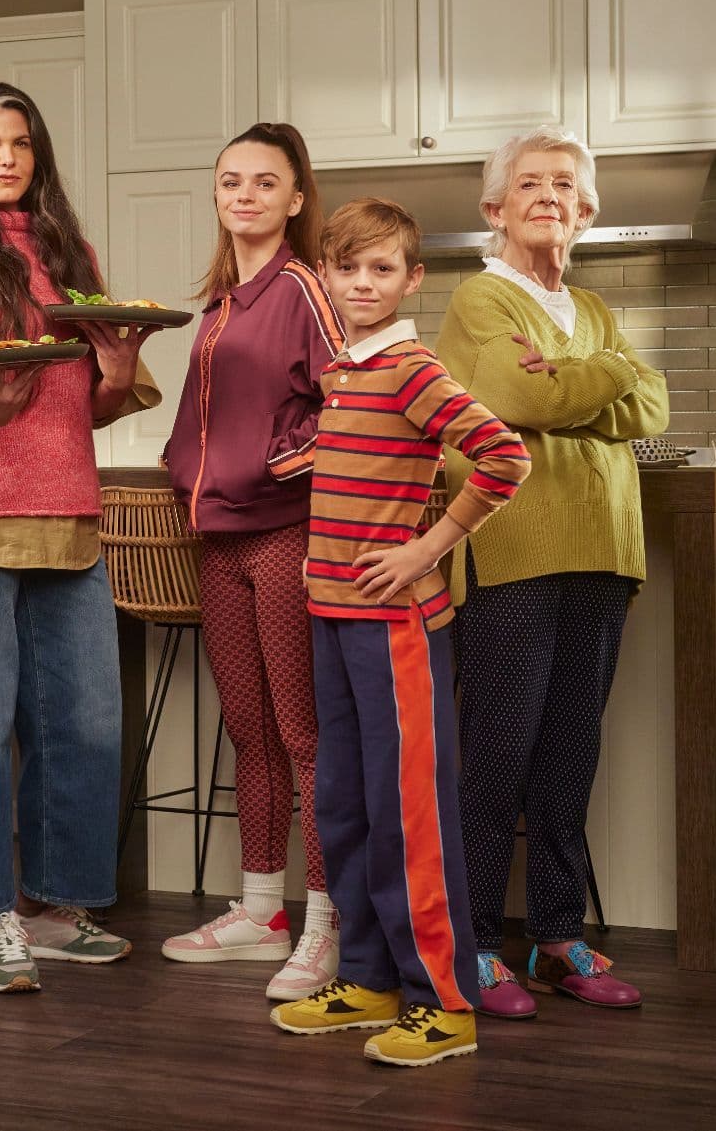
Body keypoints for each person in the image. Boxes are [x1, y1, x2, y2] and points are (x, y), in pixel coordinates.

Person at [0, 83, 159, 994]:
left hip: (69, 512)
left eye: (19, 144)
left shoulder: (70, 253)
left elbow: (87, 406)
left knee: (84, 721)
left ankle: (55, 907)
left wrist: (119, 368)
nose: (5, 158)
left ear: (38, 156)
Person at [267, 198, 530, 1069]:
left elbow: (503, 456)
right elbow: (372, 470)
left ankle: (443, 1001)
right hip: (335, 617)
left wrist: (427, 547)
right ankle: (373, 978)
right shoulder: (347, 369)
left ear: (412, 279)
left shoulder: (411, 366)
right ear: (328, 277)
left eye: (382, 269)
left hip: (397, 629)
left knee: (409, 814)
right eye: (349, 269)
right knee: (345, 802)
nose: (364, 283)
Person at [435, 125, 667, 1018]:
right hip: (514, 550)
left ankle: (561, 936)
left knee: (571, 755)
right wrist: (604, 383)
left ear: (586, 209)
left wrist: (593, 375)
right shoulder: (479, 305)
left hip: (604, 551)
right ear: (495, 208)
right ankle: (476, 941)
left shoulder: (598, 313)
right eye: (528, 183)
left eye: (563, 184)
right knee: (497, 755)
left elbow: (654, 401)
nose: (547, 195)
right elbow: (527, 398)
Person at [159, 123, 345, 1000]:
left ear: (296, 198)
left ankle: (324, 922)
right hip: (220, 539)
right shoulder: (222, 299)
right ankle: (262, 906)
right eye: (230, 179)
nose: (244, 195)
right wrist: (181, 468)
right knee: (251, 729)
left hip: (284, 532)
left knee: (305, 734)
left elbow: (347, 403)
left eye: (264, 182)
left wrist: (276, 461)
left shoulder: (303, 288)